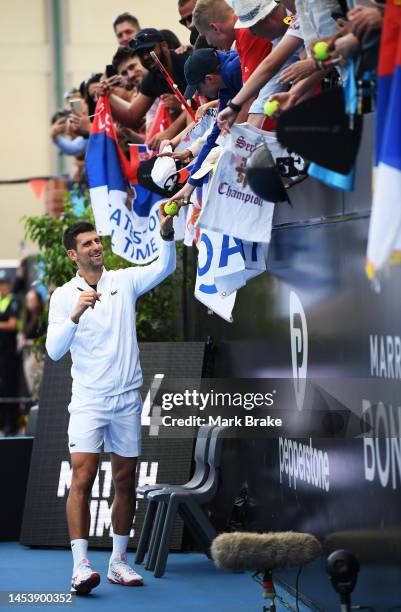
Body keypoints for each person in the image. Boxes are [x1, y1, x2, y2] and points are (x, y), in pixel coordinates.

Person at [45, 214, 176, 594]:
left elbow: (164, 266)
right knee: (82, 478)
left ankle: (119, 562)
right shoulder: (63, 296)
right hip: (88, 401)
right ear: (73, 255)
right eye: (87, 244)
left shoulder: (124, 280)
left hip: (126, 401)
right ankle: (80, 567)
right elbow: (54, 352)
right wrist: (76, 313)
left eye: (97, 240)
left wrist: (166, 234)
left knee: (124, 479)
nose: (96, 246)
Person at [103, 29, 191, 150]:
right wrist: (106, 95)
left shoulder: (186, 61)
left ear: (164, 46)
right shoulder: (152, 78)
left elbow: (197, 105)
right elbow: (132, 116)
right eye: (140, 54)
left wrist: (169, 133)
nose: (145, 57)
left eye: (149, 50)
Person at [0, 271, 21, 436]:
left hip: (9, 353)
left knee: (10, 387)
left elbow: (13, 324)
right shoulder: (1, 301)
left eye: (4, 283)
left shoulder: (13, 301)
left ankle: (11, 423)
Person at [17, 289, 45, 397]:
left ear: (38, 301)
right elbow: (22, 333)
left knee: (37, 384)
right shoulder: (27, 318)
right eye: (28, 300)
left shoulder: (42, 318)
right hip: (28, 355)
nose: (30, 303)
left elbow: (44, 340)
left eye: (32, 300)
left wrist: (28, 342)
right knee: (31, 386)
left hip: (38, 355)